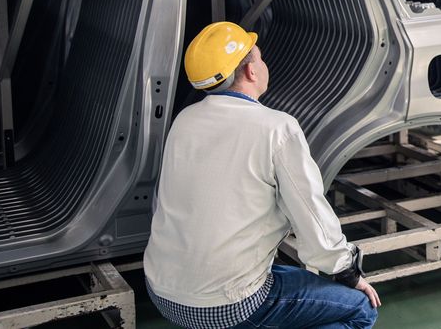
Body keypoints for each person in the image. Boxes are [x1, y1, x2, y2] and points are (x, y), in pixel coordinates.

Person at [144, 21, 380, 329]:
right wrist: (348, 272)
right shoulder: (276, 128)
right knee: (360, 309)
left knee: (278, 274)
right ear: (251, 72)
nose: (263, 64)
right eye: (259, 57)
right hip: (226, 304)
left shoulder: (184, 120)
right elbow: (312, 215)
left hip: (162, 289)